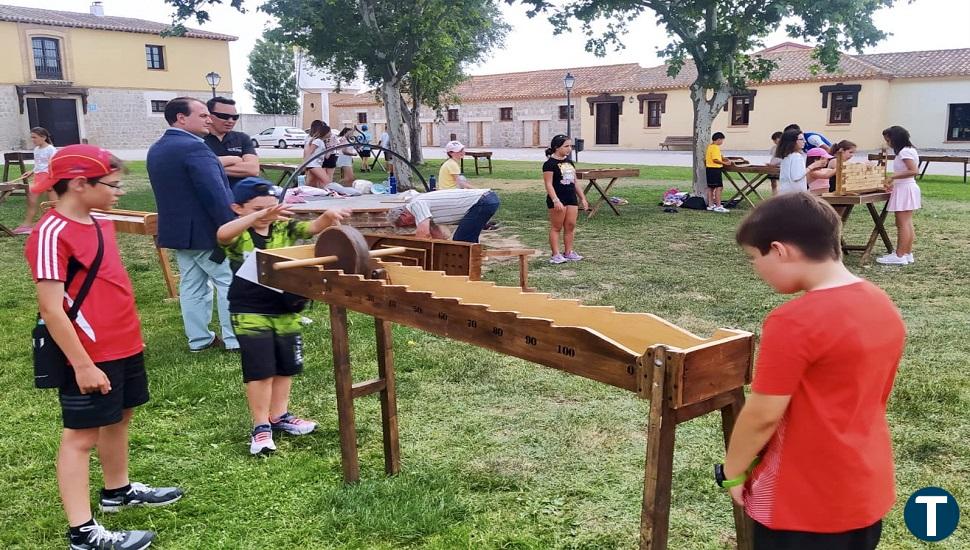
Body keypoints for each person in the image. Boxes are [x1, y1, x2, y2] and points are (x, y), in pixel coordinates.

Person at [724, 193, 904, 550]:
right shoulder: (882, 303)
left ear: (779, 250)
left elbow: (762, 415)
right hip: (865, 490)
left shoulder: (793, 321)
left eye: (753, 258)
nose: (755, 268)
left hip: (802, 503)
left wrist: (733, 471)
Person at [26, 145, 184, 550]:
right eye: (111, 185)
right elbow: (51, 306)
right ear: (79, 184)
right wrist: (81, 364)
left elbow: (110, 283)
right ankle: (82, 532)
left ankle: (118, 491)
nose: (119, 192)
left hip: (123, 343)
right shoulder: (51, 233)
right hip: (88, 353)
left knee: (120, 417)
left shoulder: (99, 222)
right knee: (80, 437)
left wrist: (131, 337)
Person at [217, 178, 349, 455]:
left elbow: (311, 227)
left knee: (285, 366)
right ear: (238, 208)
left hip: (286, 309)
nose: (268, 213)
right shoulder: (239, 234)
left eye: (272, 207)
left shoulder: (284, 227)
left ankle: (280, 416)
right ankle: (260, 426)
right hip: (249, 312)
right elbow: (222, 234)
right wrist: (254, 217)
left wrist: (326, 217)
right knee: (260, 370)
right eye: (258, 209)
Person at [147, 96, 239, 352]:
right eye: (202, 115)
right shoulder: (195, 148)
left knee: (192, 284)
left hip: (178, 232)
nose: (209, 119)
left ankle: (199, 339)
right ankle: (235, 339)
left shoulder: (157, 148)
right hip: (206, 233)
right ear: (181, 118)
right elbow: (216, 194)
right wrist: (230, 228)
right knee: (229, 280)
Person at [387, 188, 500, 243]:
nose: (411, 225)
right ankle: (472, 263)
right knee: (465, 240)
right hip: (486, 200)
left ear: (403, 216)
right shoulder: (425, 214)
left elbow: (423, 234)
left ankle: (469, 269)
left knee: (462, 241)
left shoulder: (416, 204)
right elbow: (439, 237)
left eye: (403, 224)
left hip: (482, 201)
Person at [877, 126, 921, 266]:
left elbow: (914, 170)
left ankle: (900, 255)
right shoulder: (908, 150)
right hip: (905, 187)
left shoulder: (904, 152)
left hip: (905, 188)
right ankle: (907, 253)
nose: (888, 143)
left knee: (902, 224)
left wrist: (893, 176)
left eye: (888, 139)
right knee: (906, 223)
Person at [542, 134, 589, 263]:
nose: (569, 149)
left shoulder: (569, 162)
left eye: (570, 146)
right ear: (557, 147)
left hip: (571, 198)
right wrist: (555, 200)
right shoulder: (549, 164)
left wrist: (583, 198)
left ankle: (568, 252)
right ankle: (555, 254)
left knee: (570, 226)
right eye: (566, 146)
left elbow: (575, 182)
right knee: (556, 227)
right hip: (558, 198)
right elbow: (548, 184)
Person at [203, 97, 259, 188]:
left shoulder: (242, 138)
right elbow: (198, 168)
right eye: (224, 116)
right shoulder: (198, 139)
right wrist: (234, 159)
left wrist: (212, 167)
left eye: (235, 117)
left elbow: (253, 169)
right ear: (209, 116)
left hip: (242, 193)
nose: (230, 121)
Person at [13, 126, 57, 234]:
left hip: (48, 176)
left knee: (48, 202)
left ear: (44, 137)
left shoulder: (51, 149)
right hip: (39, 176)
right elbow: (39, 164)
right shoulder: (36, 149)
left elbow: (54, 165)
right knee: (39, 201)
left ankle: (30, 224)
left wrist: (51, 182)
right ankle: (34, 224)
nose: (32, 140)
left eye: (34, 137)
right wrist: (31, 172)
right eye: (31, 137)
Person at [777, 129, 826, 195]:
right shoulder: (797, 156)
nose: (805, 141)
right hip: (794, 195)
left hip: (785, 193)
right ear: (793, 141)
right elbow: (797, 177)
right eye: (801, 139)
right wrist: (813, 165)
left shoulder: (787, 156)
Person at [705, 132, 733, 212]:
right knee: (719, 187)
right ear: (718, 139)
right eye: (722, 140)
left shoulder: (710, 147)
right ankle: (718, 206)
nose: (722, 142)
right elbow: (715, 159)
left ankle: (710, 205)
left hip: (709, 169)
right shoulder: (716, 147)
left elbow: (719, 156)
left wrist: (724, 158)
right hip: (715, 169)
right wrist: (725, 163)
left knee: (711, 187)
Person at [303, 120, 337, 187]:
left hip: (317, 164)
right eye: (329, 132)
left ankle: (306, 193)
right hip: (313, 164)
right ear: (325, 132)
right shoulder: (317, 141)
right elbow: (309, 152)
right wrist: (303, 164)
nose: (331, 134)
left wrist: (331, 146)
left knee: (312, 183)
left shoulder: (322, 142)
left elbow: (326, 157)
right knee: (327, 181)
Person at [767, 131, 782, 196]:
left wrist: (775, 164)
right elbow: (773, 157)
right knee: (773, 182)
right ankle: (774, 195)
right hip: (772, 168)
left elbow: (782, 159)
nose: (775, 141)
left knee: (782, 183)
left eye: (775, 139)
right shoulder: (774, 148)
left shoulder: (784, 148)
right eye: (774, 140)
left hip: (780, 168)